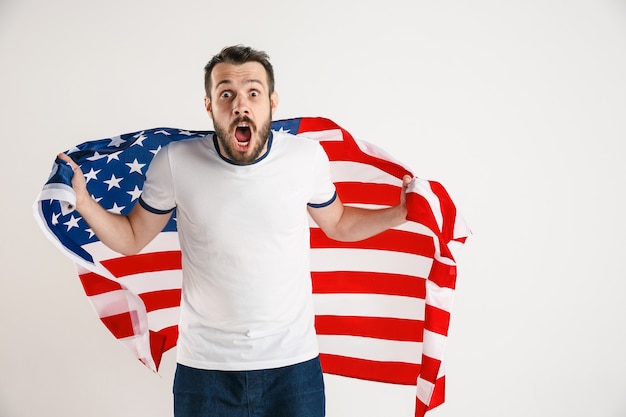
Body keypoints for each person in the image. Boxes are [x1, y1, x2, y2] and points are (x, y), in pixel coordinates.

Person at [59, 45, 412, 417]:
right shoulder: (176, 162)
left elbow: (338, 223)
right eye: (226, 93)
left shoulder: (305, 158)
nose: (240, 105)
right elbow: (132, 238)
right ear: (210, 105)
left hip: (293, 369)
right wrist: (84, 202)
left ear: (273, 102)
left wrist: (399, 213)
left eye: (253, 93)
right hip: (205, 372)